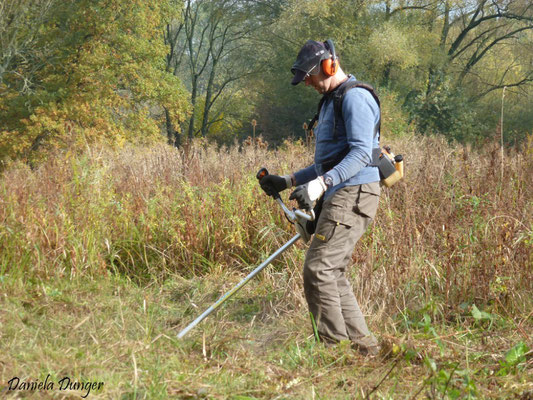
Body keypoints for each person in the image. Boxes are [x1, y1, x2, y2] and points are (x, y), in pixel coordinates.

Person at [259, 39, 381, 356]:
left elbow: (360, 156)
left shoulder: (355, 99)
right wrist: (288, 181)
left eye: (311, 76)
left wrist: (321, 185)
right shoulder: (331, 100)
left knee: (319, 270)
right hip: (340, 191)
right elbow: (324, 163)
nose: (309, 83)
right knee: (331, 271)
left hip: (354, 193)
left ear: (328, 65)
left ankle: (334, 352)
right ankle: (363, 348)